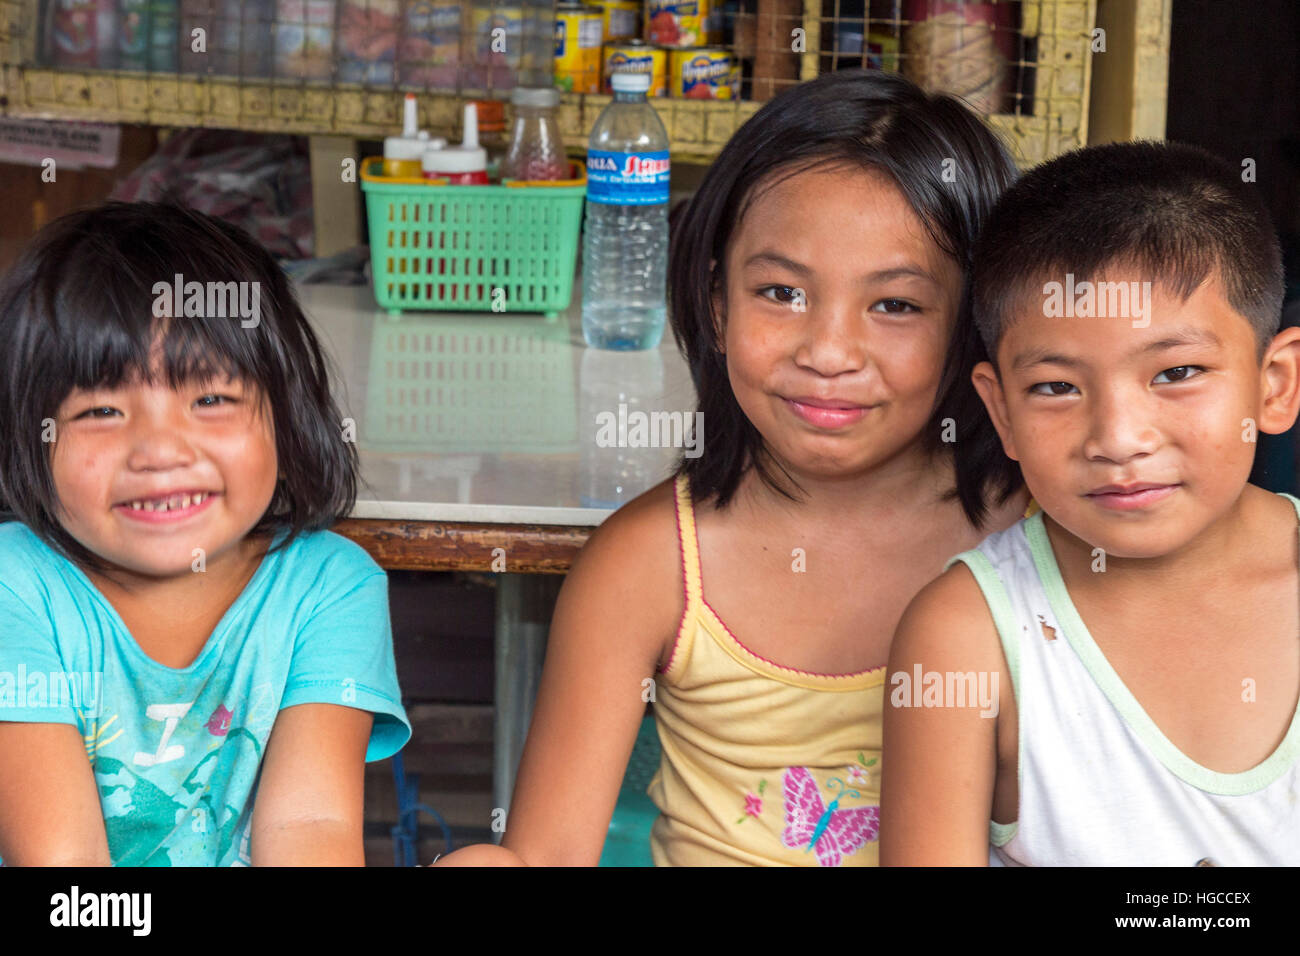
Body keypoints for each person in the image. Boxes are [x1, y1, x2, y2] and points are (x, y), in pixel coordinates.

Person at [441, 69, 1028, 867]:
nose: (827, 352)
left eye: (895, 305)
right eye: (781, 292)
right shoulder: (652, 562)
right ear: (716, 305)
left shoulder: (1032, 538)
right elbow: (544, 856)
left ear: (974, 325)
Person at [881, 141, 1300, 866]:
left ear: (1275, 383)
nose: (1118, 438)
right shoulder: (970, 634)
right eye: (1056, 387)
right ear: (1001, 411)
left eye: (1176, 372)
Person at [0, 202, 410, 866]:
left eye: (210, 400)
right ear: (31, 439)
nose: (160, 450)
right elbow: (63, 870)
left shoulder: (330, 587)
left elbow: (310, 830)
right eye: (101, 409)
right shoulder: (14, 588)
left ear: (287, 413)